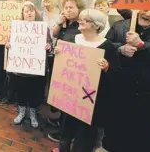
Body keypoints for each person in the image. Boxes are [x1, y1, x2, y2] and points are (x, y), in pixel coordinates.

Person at [103, 9, 150, 152]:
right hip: (118, 87)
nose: (148, 14)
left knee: (138, 132)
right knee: (113, 126)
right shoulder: (119, 26)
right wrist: (120, 49)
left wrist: (143, 45)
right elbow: (105, 46)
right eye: (145, 9)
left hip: (145, 92)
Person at [51, 9, 120, 152]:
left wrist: (107, 67)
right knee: (66, 131)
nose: (81, 22)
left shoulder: (108, 46)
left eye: (86, 20)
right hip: (70, 95)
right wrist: (58, 54)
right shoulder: (72, 39)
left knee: (85, 135)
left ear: (96, 25)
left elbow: (116, 75)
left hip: (91, 101)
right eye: (81, 19)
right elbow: (60, 68)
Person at [6, 2, 52, 128]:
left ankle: (32, 114)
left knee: (34, 92)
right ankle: (21, 113)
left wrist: (48, 46)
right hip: (20, 69)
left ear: (36, 13)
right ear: (23, 14)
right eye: (26, 11)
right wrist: (8, 45)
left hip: (36, 70)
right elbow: (11, 43)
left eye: (32, 10)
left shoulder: (43, 28)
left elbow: (49, 45)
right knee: (21, 91)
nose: (29, 13)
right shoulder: (16, 28)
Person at [47, 0, 85, 143]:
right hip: (61, 63)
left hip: (74, 68)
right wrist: (59, 23)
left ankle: (67, 133)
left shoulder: (82, 25)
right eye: (66, 7)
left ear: (79, 9)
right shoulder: (66, 23)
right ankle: (62, 122)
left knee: (70, 98)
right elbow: (56, 35)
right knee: (62, 94)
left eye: (71, 7)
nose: (68, 10)